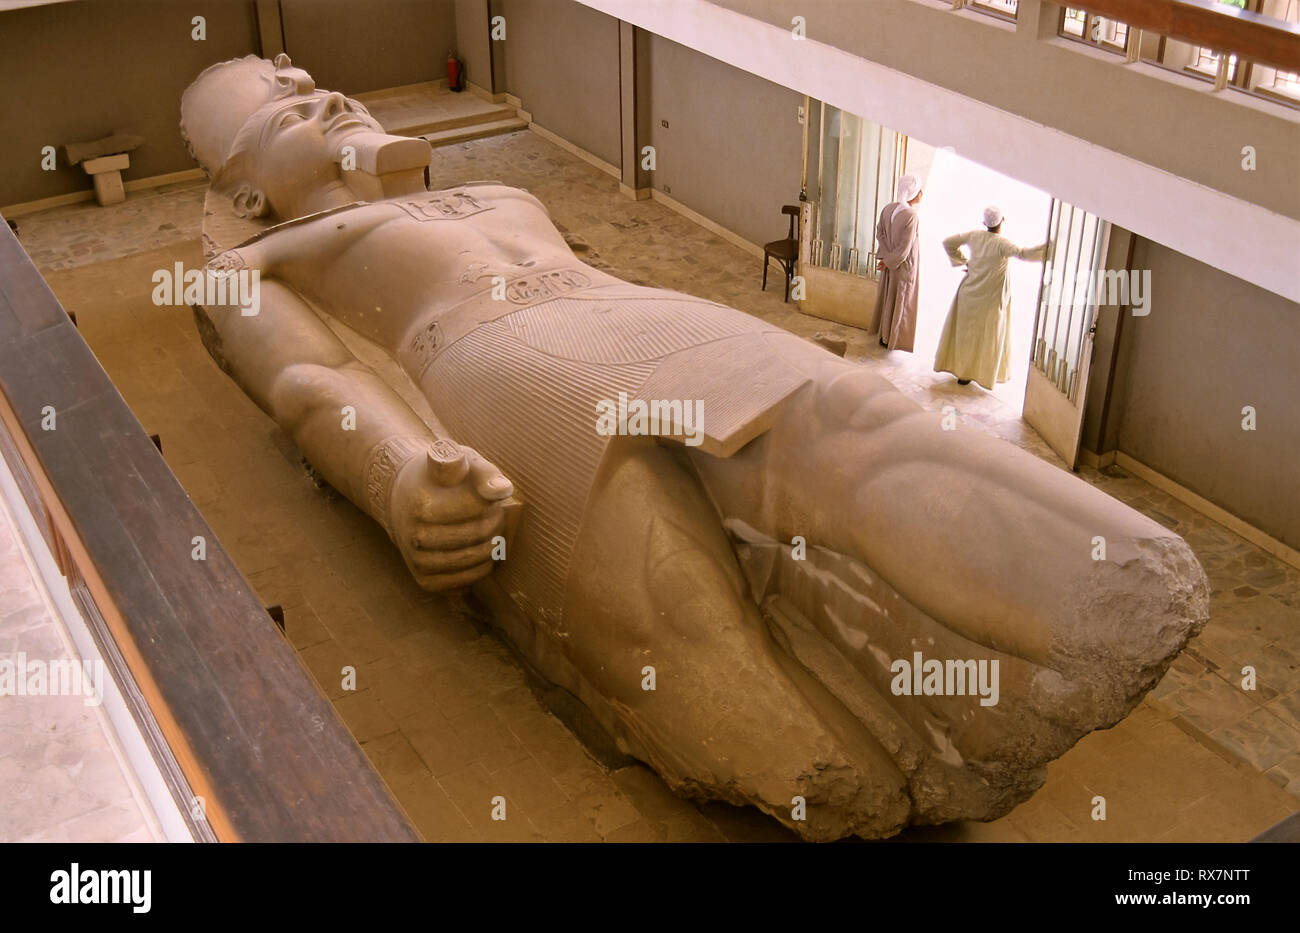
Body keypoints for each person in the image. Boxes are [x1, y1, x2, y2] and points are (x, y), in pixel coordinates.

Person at [179, 56, 1206, 840]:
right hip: (492, 359)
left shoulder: (500, 194)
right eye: (286, 112)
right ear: (243, 197)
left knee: (849, 420)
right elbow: (315, 382)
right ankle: (816, 765)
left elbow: (604, 275)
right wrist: (397, 471)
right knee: (662, 569)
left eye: (318, 87)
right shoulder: (254, 266)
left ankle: (1110, 595)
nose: (322, 100)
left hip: (634, 317)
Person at [934, 206, 1048, 388]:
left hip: (968, 293)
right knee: (987, 338)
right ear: (1002, 221)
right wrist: (1049, 248)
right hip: (991, 300)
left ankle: (963, 374)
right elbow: (1023, 254)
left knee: (965, 336)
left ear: (984, 223)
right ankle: (983, 376)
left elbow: (949, 242)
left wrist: (964, 262)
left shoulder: (974, 235)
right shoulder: (1002, 243)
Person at [869, 173, 922, 351]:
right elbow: (905, 249)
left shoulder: (889, 209)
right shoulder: (911, 216)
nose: (922, 193)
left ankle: (885, 336)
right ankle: (893, 340)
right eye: (919, 189)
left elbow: (880, 233)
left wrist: (885, 258)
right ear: (914, 191)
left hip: (890, 263)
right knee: (900, 301)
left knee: (888, 298)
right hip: (903, 266)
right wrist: (890, 261)